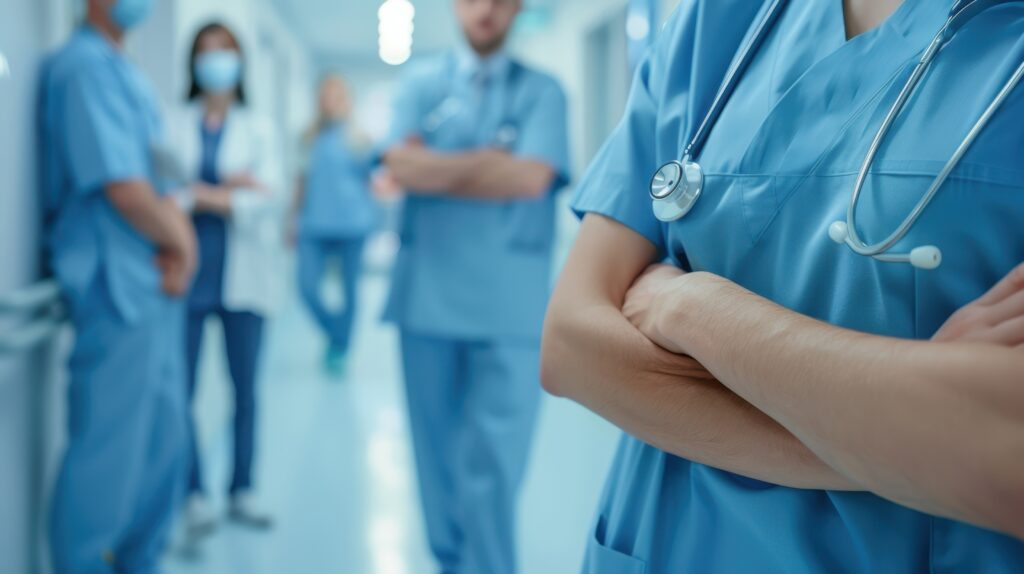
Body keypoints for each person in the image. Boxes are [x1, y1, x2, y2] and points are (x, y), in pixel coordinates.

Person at [541, 0, 1024, 572]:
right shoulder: (720, 22)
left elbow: (1006, 450)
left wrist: (690, 304)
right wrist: (907, 439)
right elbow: (571, 345)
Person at [377, 0, 570, 571]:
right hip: (426, 299)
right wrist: (487, 164)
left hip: (510, 307)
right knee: (435, 465)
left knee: (493, 469)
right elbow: (398, 167)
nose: (487, 8)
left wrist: (435, 167)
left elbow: (531, 177)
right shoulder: (418, 84)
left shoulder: (544, 92)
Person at [39, 0, 195, 571]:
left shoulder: (126, 70)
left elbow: (161, 176)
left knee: (163, 449)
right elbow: (125, 188)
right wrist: (182, 241)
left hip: (153, 283)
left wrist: (176, 239)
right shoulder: (82, 68)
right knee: (106, 459)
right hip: (113, 286)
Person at [165, 22, 284, 537]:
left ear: (241, 62)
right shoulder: (175, 123)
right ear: (192, 63)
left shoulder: (259, 127)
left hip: (244, 274)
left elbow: (268, 199)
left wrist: (202, 194)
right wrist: (228, 192)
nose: (216, 62)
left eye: (226, 52)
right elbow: (165, 193)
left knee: (245, 389)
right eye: (207, 52)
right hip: (190, 271)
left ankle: (242, 488)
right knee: (181, 388)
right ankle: (193, 492)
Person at [290, 75, 378, 377]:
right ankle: (336, 335)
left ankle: (341, 348)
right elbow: (301, 182)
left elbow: (374, 183)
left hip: (353, 224)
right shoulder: (308, 138)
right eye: (324, 95)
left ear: (346, 100)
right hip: (314, 224)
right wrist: (292, 219)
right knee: (306, 287)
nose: (330, 102)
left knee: (349, 291)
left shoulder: (359, 140)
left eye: (336, 95)